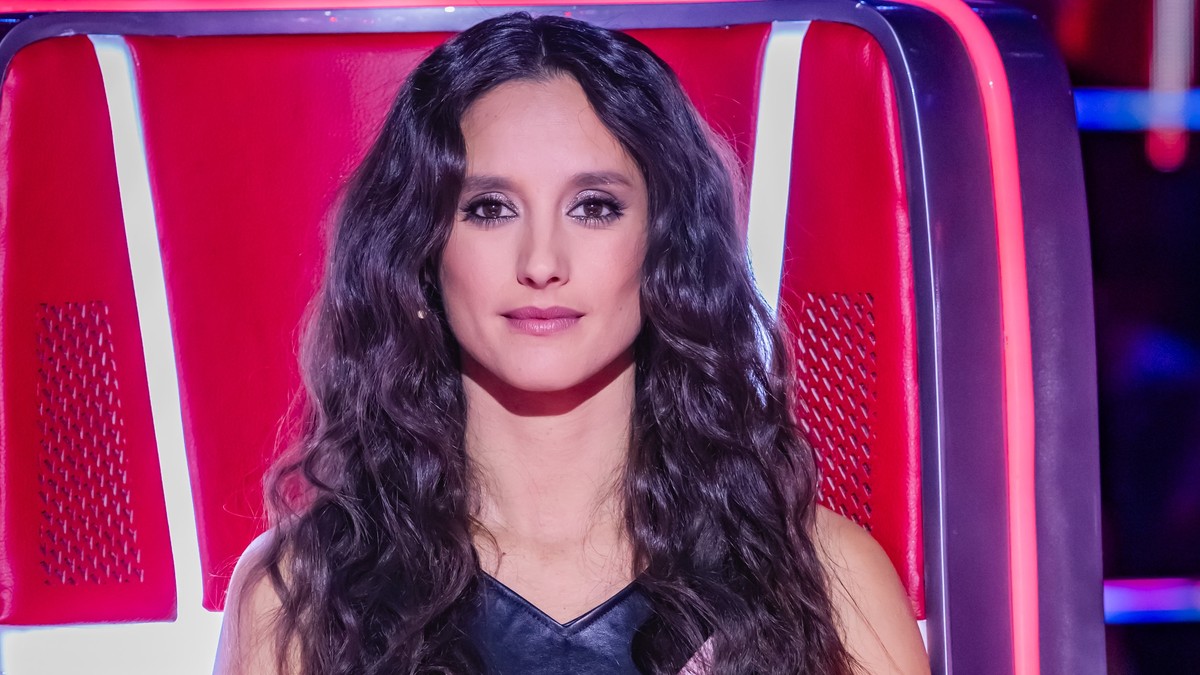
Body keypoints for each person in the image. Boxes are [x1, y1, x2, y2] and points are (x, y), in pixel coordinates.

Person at [214, 12, 928, 675]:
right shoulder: (303, 593)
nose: (541, 262)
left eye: (594, 206)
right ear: (421, 251)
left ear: (665, 247)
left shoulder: (822, 579)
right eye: (489, 208)